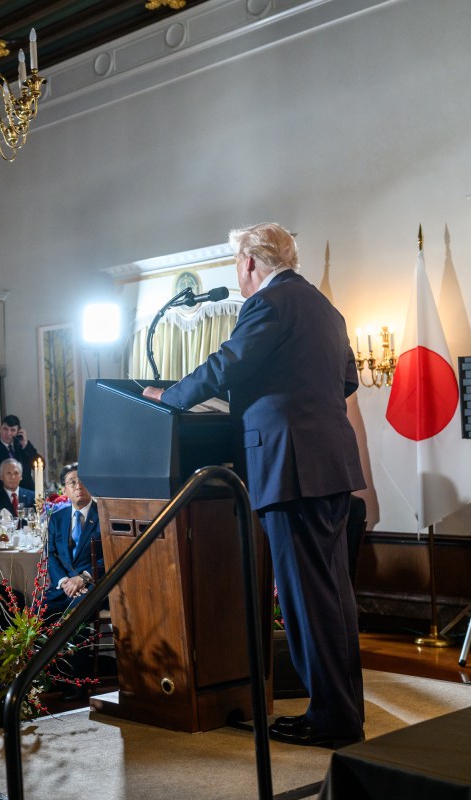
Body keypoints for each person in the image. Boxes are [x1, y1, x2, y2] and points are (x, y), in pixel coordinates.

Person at [142, 222, 365, 748]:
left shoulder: (269, 303)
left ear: (248, 263)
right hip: (327, 465)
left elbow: (229, 363)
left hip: (291, 469)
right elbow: (347, 380)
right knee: (332, 595)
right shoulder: (323, 307)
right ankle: (342, 709)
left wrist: (168, 397)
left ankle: (330, 719)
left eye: (236, 266)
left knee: (307, 599)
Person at [43, 465, 103, 616]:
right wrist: (64, 582)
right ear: (64, 491)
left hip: (91, 587)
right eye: (72, 482)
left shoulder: (104, 516)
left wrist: (84, 578)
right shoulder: (57, 518)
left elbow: (111, 556)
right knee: (35, 615)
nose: (79, 486)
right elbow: (51, 554)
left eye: (83, 481)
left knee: (73, 617)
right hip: (63, 588)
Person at [0, 415, 40, 495]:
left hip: (27, 494)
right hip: (2, 497)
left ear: (18, 431)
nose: (8, 433)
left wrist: (25, 445)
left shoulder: (23, 445)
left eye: (12, 430)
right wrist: (13, 488)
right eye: (5, 429)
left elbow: (40, 466)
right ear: (0, 429)